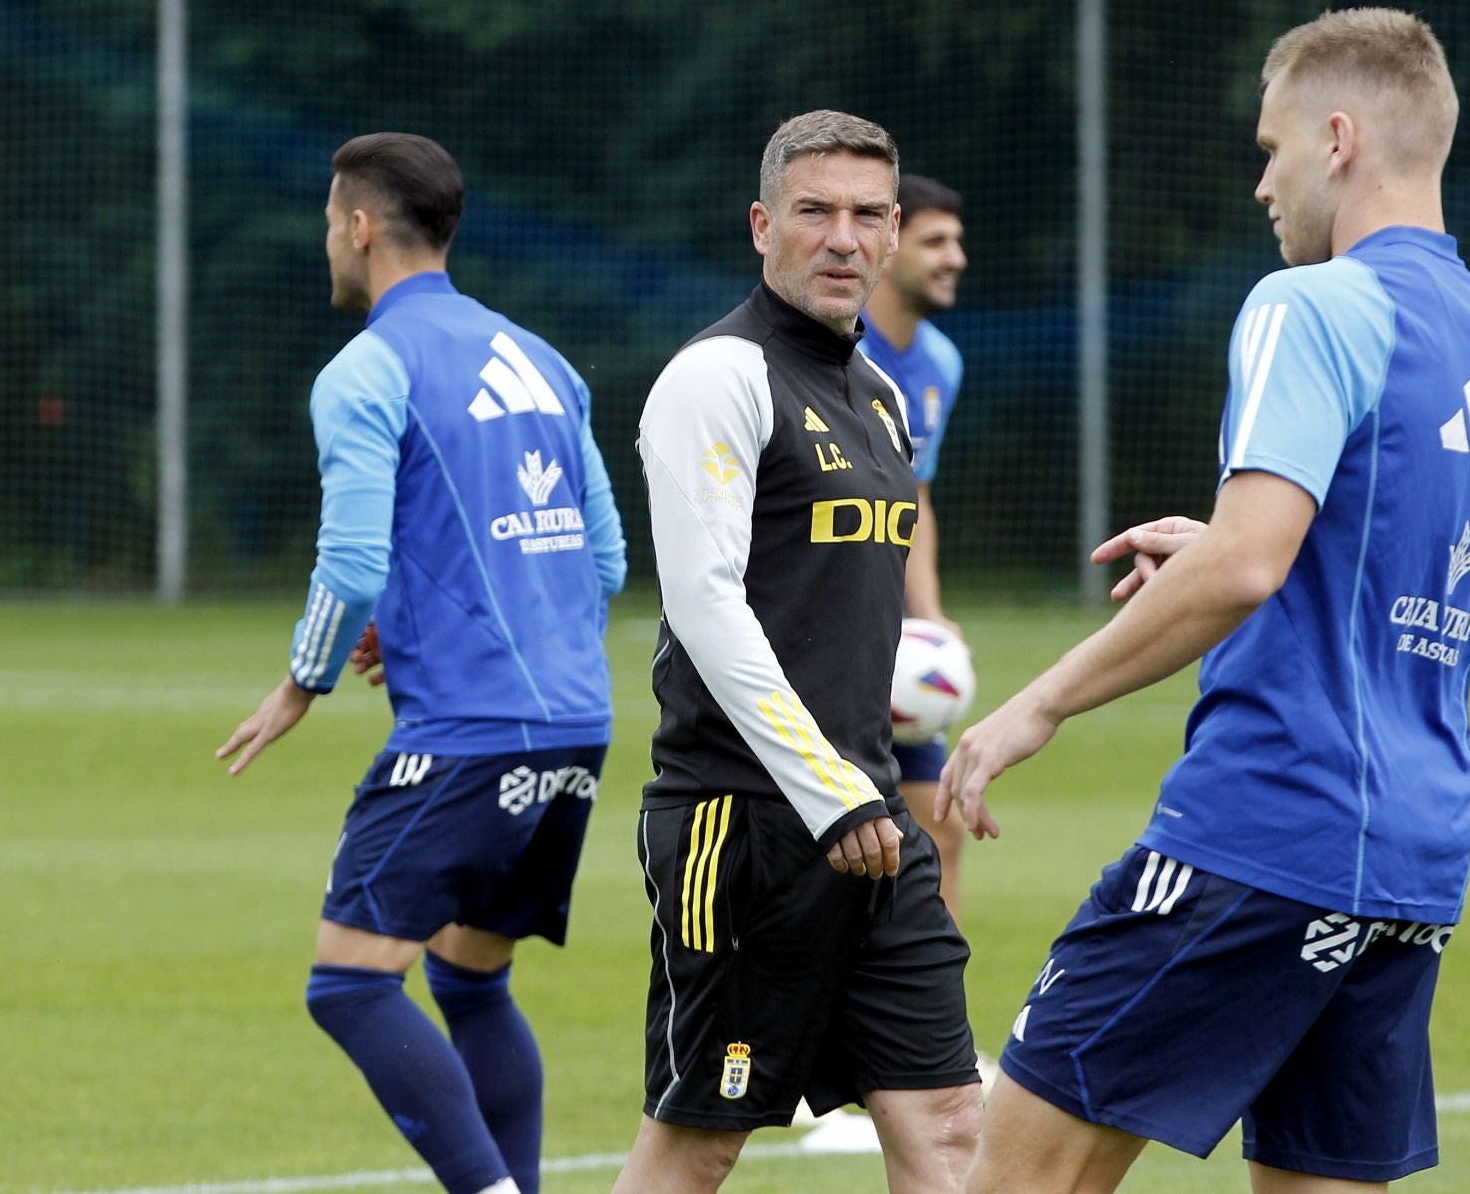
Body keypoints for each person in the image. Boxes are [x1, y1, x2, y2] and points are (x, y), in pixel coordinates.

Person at [939, 8, 1470, 1193]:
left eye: (1269, 150)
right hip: (1416, 864)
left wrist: (1041, 705)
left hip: (1268, 826)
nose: (1262, 184)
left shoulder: (1310, 305)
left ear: (1337, 139)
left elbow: (1246, 567)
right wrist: (1248, 541)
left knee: (1016, 1178)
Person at [216, 132, 626, 1194]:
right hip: (576, 721)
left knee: (348, 984)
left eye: (327, 225)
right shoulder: (544, 359)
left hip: (471, 733)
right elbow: (607, 559)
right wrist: (424, 629)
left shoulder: (366, 368)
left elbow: (349, 558)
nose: (328, 245)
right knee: (470, 975)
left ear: (359, 226)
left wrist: (301, 681)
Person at [612, 110, 981, 1194]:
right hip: (745, 821)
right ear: (763, 224)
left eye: (869, 215)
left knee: (953, 1120)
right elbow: (705, 605)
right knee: (701, 1141)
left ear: (894, 230)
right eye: (815, 211)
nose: (842, 237)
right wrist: (834, 793)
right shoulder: (716, 377)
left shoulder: (880, 398)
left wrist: (865, 789)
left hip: (868, 818)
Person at [857, 174, 971, 923]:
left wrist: (927, 621)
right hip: (820, 642)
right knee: (831, 846)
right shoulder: (831, 349)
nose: (955, 257)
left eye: (958, 241)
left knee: (941, 824)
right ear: (890, 244)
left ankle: (937, 1041)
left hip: (892, 645)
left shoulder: (940, 363)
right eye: (935, 241)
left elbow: (913, 496)